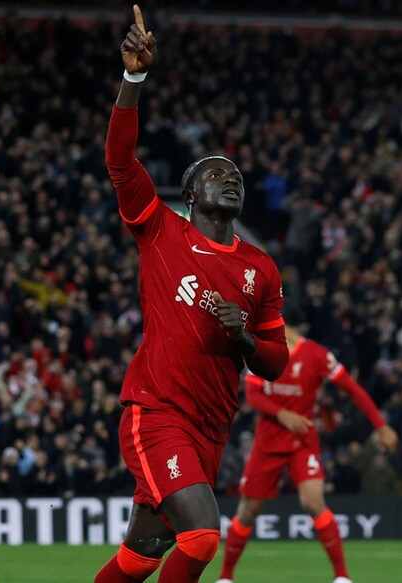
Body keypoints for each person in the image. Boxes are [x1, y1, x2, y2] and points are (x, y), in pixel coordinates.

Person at [95, 7, 289, 582]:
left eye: (236, 177)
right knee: (203, 536)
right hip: (157, 411)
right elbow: (120, 162)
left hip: (211, 426)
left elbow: (275, 363)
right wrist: (133, 81)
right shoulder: (161, 230)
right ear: (190, 192)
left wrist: (245, 338)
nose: (229, 179)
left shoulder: (261, 268)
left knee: (141, 554)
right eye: (214, 173)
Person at [217, 307, 398, 583]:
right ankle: (226, 577)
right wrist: (282, 414)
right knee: (249, 510)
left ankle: (342, 576)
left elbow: (352, 389)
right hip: (268, 443)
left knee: (313, 502)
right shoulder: (262, 352)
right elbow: (253, 396)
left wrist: (381, 425)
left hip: (303, 442)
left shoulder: (317, 355)